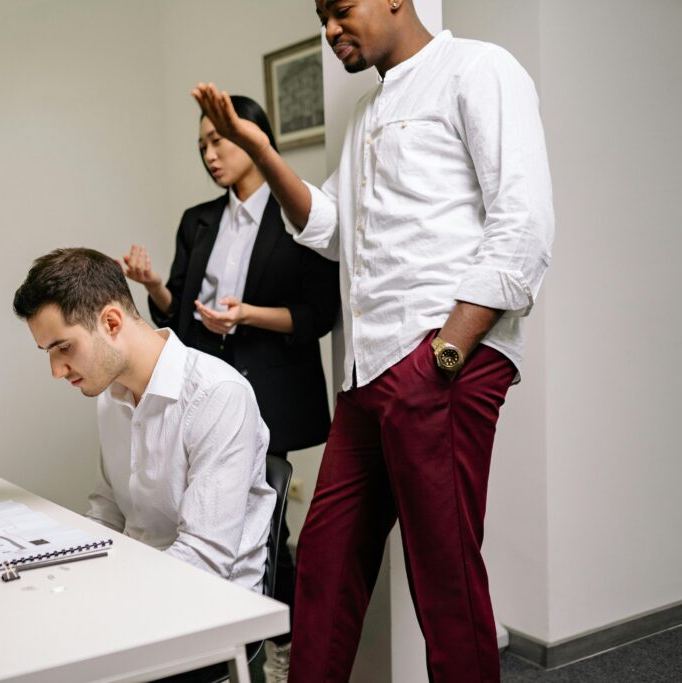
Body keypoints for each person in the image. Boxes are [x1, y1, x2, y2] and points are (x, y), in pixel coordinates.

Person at [193, 0, 555, 679]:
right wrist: (263, 150)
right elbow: (329, 228)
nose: (329, 29)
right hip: (367, 376)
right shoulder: (365, 114)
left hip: (442, 362)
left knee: (444, 581)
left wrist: (444, 355)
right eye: (321, 16)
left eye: (340, 9)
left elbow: (524, 225)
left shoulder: (478, 68)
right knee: (325, 572)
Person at [122, 94, 338, 680]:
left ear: (251, 135)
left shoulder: (296, 212)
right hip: (206, 385)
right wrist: (154, 287)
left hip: (272, 384)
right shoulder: (198, 220)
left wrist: (249, 316)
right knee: (203, 518)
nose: (210, 155)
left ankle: (279, 649)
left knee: (266, 528)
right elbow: (181, 319)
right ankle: (217, 639)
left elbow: (319, 314)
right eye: (201, 148)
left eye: (218, 141)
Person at [13, 247, 275, 592]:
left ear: (111, 322)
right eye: (48, 352)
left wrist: (107, 591)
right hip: (137, 586)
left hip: (208, 604)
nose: (56, 371)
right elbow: (107, 512)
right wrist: (64, 576)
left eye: (64, 348)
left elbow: (205, 560)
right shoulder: (111, 394)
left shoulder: (218, 395)